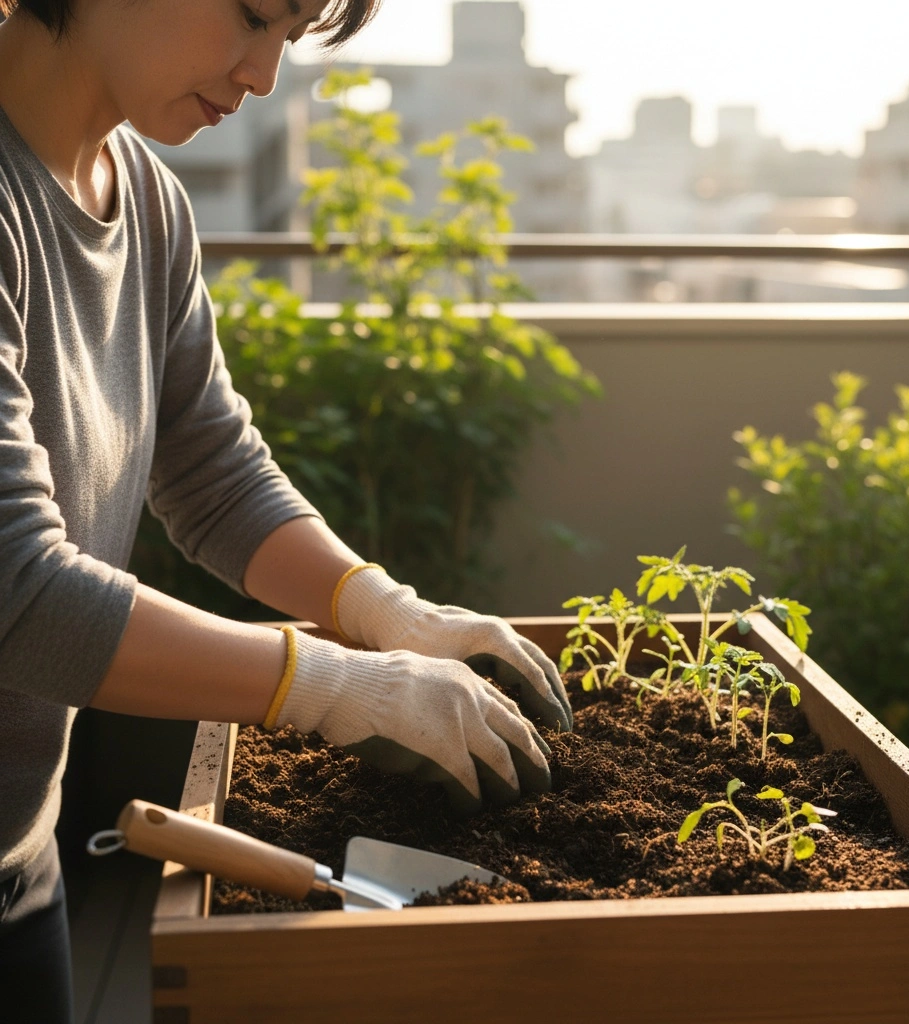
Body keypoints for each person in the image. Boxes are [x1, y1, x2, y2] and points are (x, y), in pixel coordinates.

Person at [0, 2, 572, 1019]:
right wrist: (327, 683)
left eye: (293, 35)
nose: (264, 74)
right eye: (256, 14)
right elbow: (18, 596)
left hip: (16, 853)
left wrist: (386, 612)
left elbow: (214, 474)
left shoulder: (149, 203)